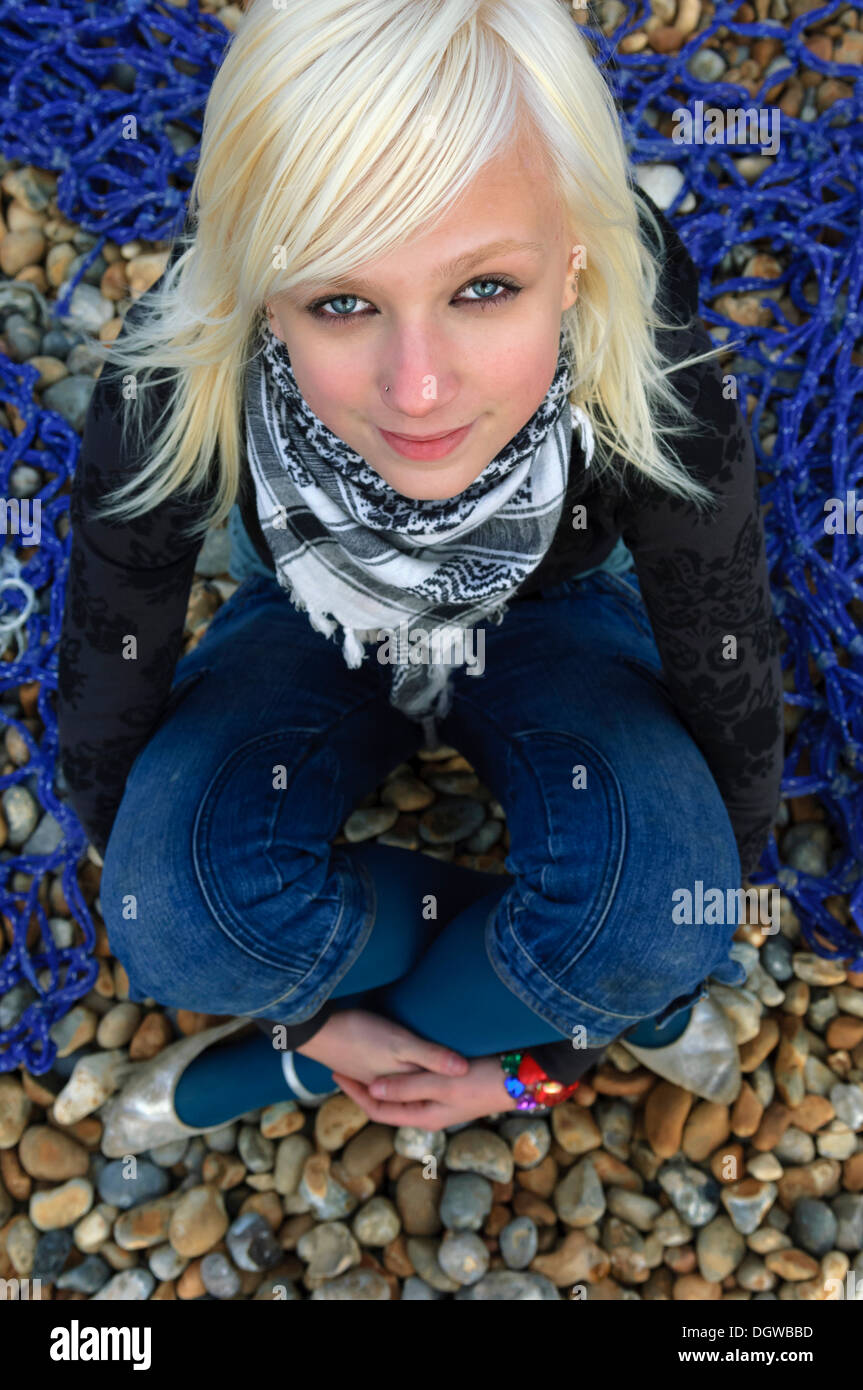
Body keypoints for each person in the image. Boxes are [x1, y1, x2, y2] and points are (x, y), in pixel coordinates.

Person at [57, 0, 784, 1155]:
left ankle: (293, 1071)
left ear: (575, 253)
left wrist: (548, 1066)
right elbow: (106, 690)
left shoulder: (643, 328)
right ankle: (572, 1005)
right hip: (309, 604)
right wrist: (557, 1024)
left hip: (550, 604)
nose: (418, 389)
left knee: (666, 912)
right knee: (173, 923)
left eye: (482, 288)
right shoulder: (180, 358)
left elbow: (725, 660)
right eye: (340, 301)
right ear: (257, 294)